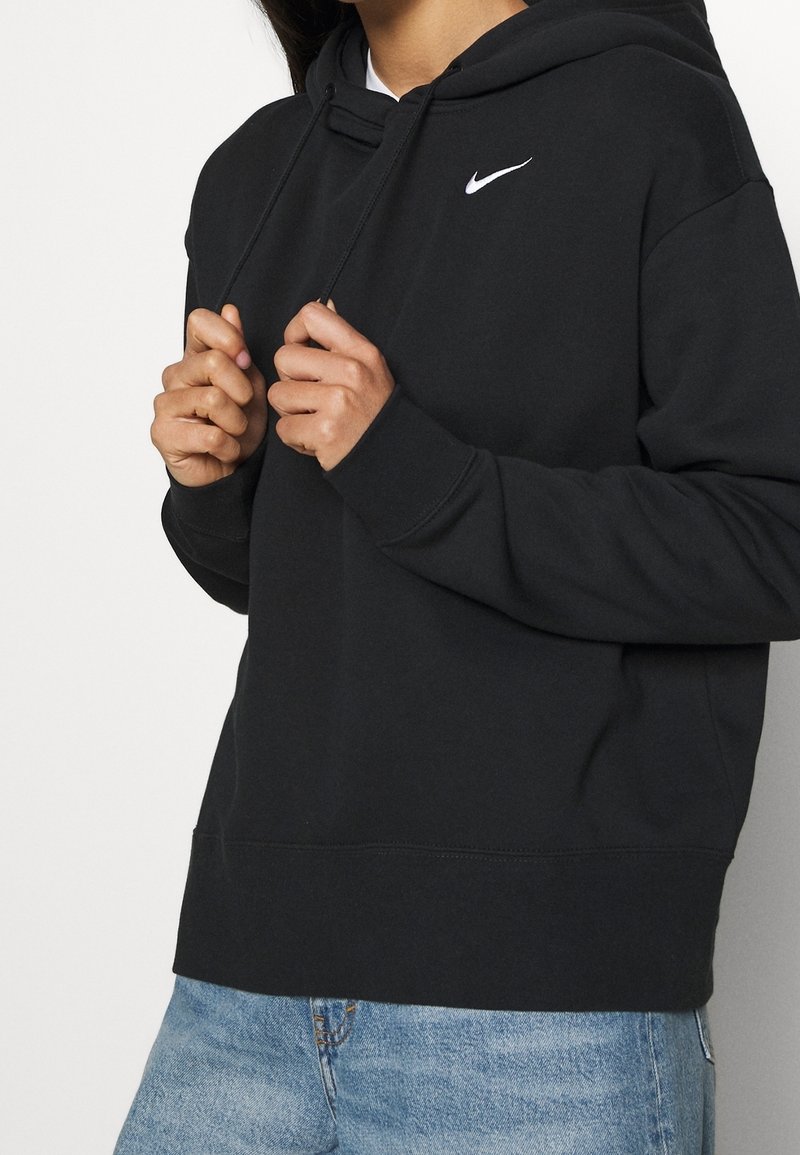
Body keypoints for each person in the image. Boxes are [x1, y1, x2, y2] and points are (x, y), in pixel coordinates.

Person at [114, 1, 800, 1151]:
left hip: (540, 1005)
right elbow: (285, 586)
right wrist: (213, 478)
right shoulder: (255, 169)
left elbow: (770, 538)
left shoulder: (648, 118)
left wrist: (414, 471)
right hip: (243, 976)